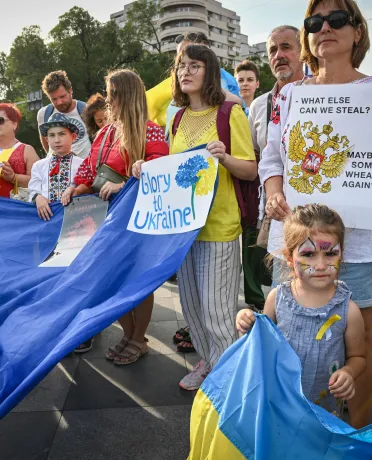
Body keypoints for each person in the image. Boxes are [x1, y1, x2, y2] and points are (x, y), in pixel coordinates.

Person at [259, 0, 372, 427]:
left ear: (358, 31)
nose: (325, 27)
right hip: (297, 243)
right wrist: (274, 191)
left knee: (357, 346)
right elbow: (272, 157)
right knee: (287, 336)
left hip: (357, 246)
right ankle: (291, 428)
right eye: (314, 21)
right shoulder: (288, 95)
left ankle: (358, 431)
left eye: (337, 19)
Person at [157, 44, 256, 390]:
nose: (185, 71)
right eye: (181, 66)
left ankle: (228, 382)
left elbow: (250, 169)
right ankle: (210, 362)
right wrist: (146, 168)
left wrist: (225, 157)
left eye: (194, 66)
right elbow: (174, 171)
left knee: (216, 312)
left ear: (210, 72)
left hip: (219, 227)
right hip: (184, 229)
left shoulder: (231, 112)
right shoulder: (179, 117)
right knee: (193, 309)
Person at [70, 69, 168, 362]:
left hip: (133, 218)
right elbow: (88, 169)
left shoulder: (148, 130)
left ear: (126, 94)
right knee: (110, 281)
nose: (108, 98)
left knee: (135, 280)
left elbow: (161, 172)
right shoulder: (104, 132)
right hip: (102, 219)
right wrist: (74, 189)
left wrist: (123, 184)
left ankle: (138, 338)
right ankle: (128, 334)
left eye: (113, 92)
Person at [235, 204, 366, 416]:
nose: (321, 264)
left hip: (323, 412)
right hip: (278, 404)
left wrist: (349, 373)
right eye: (309, 254)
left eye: (330, 253)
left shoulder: (348, 311)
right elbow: (260, 343)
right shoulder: (277, 299)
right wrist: (246, 321)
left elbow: (359, 357)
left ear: (341, 254)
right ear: (289, 257)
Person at [246, 25, 306, 312]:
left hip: (318, 214)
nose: (279, 55)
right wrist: (272, 194)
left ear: (303, 51)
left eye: (286, 47)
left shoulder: (322, 94)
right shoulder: (258, 106)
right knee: (284, 293)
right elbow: (259, 156)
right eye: (273, 50)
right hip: (277, 214)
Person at [29, 113, 84, 220]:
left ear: (73, 137)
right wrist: (38, 197)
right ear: (46, 140)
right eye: (52, 135)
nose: (57, 140)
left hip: (74, 218)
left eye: (62, 134)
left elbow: (87, 189)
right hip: (46, 218)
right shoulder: (39, 166)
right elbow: (33, 190)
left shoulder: (82, 164)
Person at [0, 103, 39, 199]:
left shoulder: (26, 150)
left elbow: (39, 180)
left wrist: (13, 177)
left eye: (0, 120)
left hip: (15, 208)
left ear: (14, 124)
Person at [37, 71, 91, 159]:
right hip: (55, 169)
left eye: (62, 97)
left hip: (84, 168)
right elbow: (45, 141)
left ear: (70, 91)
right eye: (53, 99)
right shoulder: (44, 113)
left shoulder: (86, 110)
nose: (59, 102)